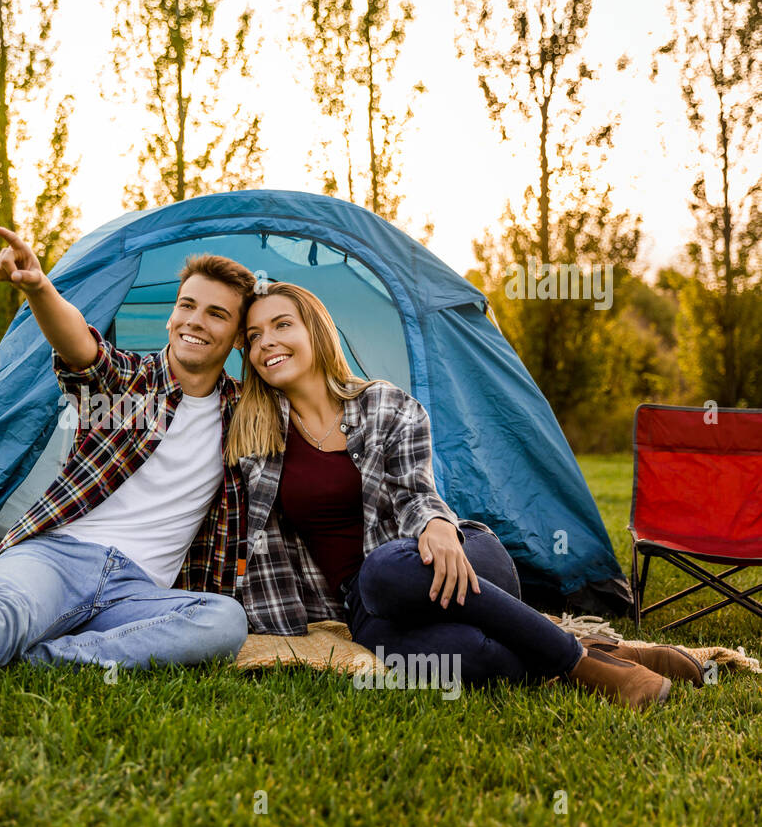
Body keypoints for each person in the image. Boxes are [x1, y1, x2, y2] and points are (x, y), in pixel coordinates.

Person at [229, 280, 703, 710]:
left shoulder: (387, 404)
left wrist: (436, 525)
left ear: (315, 330)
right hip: (368, 605)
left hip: (453, 555)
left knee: (387, 568)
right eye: (252, 336)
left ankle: (586, 667)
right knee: (478, 658)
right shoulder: (255, 435)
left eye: (281, 324)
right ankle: (611, 655)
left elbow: (417, 489)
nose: (265, 341)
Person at [0, 228, 254, 724]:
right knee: (8, 610)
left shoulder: (245, 413)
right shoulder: (128, 382)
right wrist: (38, 287)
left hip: (139, 591)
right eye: (186, 305)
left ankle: (39, 657)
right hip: (56, 556)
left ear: (237, 338)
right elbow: (83, 347)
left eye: (216, 313)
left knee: (224, 620)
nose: (195, 320)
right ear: (171, 314)